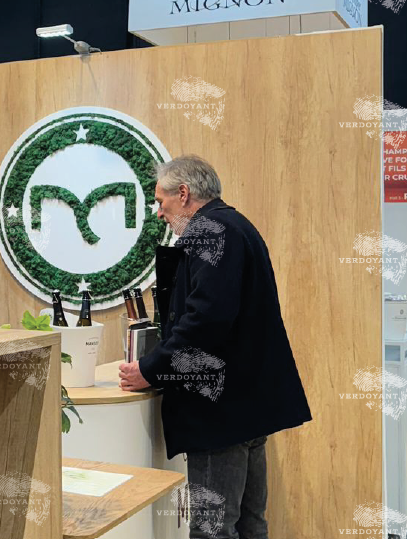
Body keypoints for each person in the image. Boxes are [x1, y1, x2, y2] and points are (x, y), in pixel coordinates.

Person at [118, 155, 311, 539]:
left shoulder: (209, 232)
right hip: (250, 406)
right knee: (249, 523)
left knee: (213, 530)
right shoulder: (237, 225)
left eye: (161, 202)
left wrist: (150, 368)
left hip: (219, 410)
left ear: (184, 193)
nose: (159, 212)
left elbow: (205, 321)